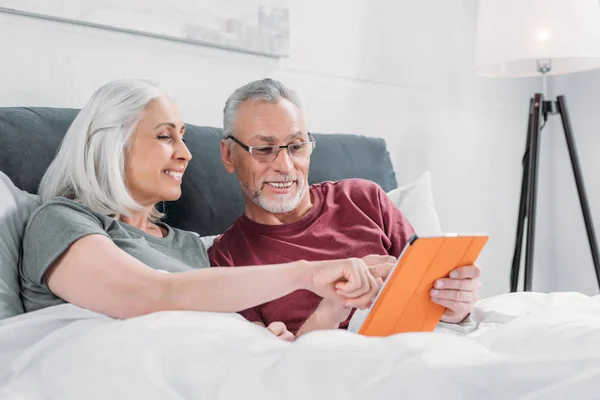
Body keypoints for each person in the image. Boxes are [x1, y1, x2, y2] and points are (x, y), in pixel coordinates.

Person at [18, 79, 395, 340]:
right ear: (110, 145)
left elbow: (222, 318)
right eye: (166, 136)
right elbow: (152, 294)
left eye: (182, 136)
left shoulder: (191, 247)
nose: (185, 152)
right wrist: (308, 275)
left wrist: (268, 337)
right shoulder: (59, 220)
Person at [208, 78, 483, 339]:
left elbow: (432, 296)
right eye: (264, 149)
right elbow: (269, 366)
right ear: (228, 155)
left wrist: (457, 305)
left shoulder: (364, 199)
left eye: (296, 146)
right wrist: (332, 306)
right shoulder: (227, 260)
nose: (286, 166)